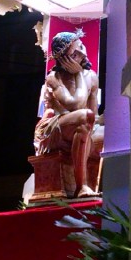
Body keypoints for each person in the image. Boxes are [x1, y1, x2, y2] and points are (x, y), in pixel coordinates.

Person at [33, 30, 102, 198]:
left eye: (82, 47)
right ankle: (81, 186)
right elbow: (75, 105)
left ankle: (103, 187)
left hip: (82, 124)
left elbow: (93, 114)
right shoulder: (54, 78)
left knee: (113, 134)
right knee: (83, 117)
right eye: (75, 54)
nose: (83, 53)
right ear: (63, 59)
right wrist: (78, 74)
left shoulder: (92, 76)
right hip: (55, 128)